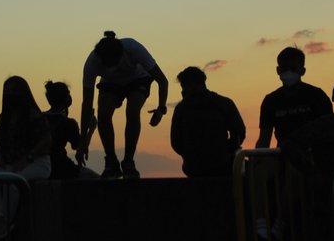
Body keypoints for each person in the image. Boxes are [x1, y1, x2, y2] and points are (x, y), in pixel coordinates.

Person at [80, 31, 170, 179]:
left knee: (133, 111)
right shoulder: (92, 62)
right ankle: (111, 162)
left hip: (138, 78)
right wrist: (83, 139)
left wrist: (161, 108)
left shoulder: (133, 48)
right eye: (106, 65)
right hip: (110, 83)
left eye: (114, 64)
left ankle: (128, 161)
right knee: (103, 113)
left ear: (121, 55)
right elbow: (87, 104)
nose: (111, 68)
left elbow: (162, 80)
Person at [0, 77, 51, 239]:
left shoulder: (33, 115)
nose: (10, 94)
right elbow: (1, 144)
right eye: (7, 91)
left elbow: (46, 142)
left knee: (14, 182)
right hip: (12, 164)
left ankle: (6, 223)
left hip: (37, 163)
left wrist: (27, 159)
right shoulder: (5, 118)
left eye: (14, 91)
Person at [169, 66, 246, 178]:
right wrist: (224, 151)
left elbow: (176, 142)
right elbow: (239, 134)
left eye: (184, 86)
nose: (183, 91)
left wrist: (191, 155)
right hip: (220, 164)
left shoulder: (181, 108)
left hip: (195, 167)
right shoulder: (224, 103)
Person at [254, 47, 332, 148]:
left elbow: (329, 132)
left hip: (315, 156)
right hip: (283, 156)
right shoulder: (270, 101)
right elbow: (264, 139)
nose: (289, 71)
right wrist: (256, 161)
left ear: (303, 71)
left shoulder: (317, 96)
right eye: (285, 68)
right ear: (278, 70)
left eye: (293, 68)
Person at [43, 81, 97, 180]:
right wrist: (91, 129)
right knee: (95, 178)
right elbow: (80, 147)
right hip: (62, 168)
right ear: (66, 99)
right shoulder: (68, 123)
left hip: (43, 166)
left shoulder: (40, 118)